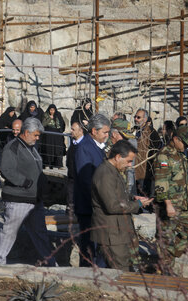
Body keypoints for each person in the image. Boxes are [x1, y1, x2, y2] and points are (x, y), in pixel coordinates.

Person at [0, 118, 56, 266]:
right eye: (35, 135)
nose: (37, 138)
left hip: (34, 199)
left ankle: (50, 263)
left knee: (40, 233)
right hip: (18, 198)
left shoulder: (31, 146)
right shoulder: (12, 147)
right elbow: (6, 170)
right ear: (26, 132)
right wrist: (25, 182)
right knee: (9, 232)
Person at [91, 140, 152, 271]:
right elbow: (112, 206)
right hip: (111, 234)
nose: (130, 165)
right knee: (120, 271)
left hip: (119, 231)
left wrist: (133, 198)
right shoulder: (105, 174)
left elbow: (117, 195)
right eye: (129, 161)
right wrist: (138, 204)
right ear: (118, 157)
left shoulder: (113, 171)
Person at [153, 125, 188, 275]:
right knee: (166, 237)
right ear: (176, 139)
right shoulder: (164, 155)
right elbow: (161, 181)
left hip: (182, 205)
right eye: (184, 143)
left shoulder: (181, 154)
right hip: (169, 206)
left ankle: (164, 259)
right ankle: (165, 270)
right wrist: (168, 205)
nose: (186, 146)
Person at [73, 113, 111, 267]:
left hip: (96, 205)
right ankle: (87, 273)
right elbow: (86, 180)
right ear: (94, 131)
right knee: (88, 245)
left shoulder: (96, 147)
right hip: (88, 205)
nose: (107, 135)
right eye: (105, 132)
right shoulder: (84, 148)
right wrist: (98, 202)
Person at [133, 108, 162, 198]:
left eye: (138, 117)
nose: (136, 119)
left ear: (145, 119)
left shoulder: (151, 133)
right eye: (135, 117)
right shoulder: (133, 131)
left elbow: (156, 151)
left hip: (144, 171)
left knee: (143, 196)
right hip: (132, 169)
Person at [65, 121, 84, 216]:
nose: (71, 131)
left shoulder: (85, 145)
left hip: (81, 178)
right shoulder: (73, 143)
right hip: (71, 176)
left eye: (73, 129)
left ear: (80, 131)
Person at [41, 104, 66, 169]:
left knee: (58, 149)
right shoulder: (45, 115)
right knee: (49, 149)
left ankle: (59, 165)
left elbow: (62, 123)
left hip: (57, 134)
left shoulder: (58, 115)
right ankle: (47, 164)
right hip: (49, 134)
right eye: (51, 110)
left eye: (53, 110)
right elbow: (43, 124)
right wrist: (49, 118)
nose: (52, 111)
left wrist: (61, 130)